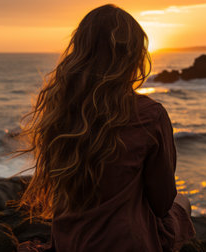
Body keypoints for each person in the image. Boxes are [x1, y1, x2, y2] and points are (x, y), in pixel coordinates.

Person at [17, 4, 195, 252]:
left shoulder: (60, 110)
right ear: (132, 55)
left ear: (80, 51)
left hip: (70, 242)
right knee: (182, 202)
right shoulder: (149, 114)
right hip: (127, 244)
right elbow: (162, 201)